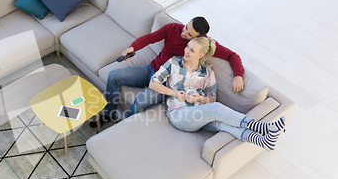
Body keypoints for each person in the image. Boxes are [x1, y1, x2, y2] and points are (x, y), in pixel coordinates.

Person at [91, 16, 244, 127]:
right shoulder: (173, 28)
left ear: (199, 38)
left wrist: (238, 75)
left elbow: (232, 55)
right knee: (113, 76)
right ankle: (108, 113)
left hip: (166, 84)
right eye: (186, 27)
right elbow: (150, 38)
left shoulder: (200, 47)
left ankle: (123, 130)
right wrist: (133, 48)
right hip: (151, 69)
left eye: (189, 34)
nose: (184, 33)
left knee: (139, 102)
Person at [149, 36, 285, 151]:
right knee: (216, 109)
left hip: (200, 116)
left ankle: (263, 141)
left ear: (200, 55)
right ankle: (263, 127)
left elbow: (212, 100)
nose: (186, 51)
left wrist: (201, 98)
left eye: (192, 50)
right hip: (179, 114)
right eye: (187, 47)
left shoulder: (207, 73)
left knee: (224, 125)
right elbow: (153, 83)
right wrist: (175, 93)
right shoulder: (173, 63)